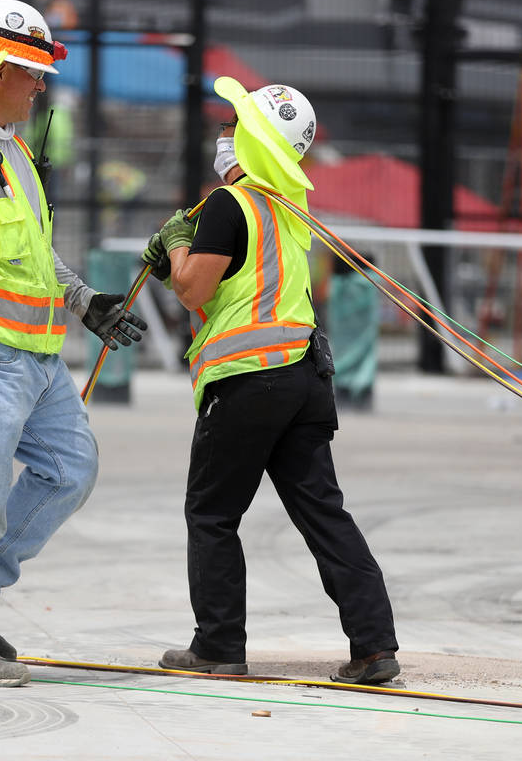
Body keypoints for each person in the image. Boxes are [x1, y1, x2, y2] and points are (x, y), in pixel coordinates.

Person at [0, 0, 147, 688]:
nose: (41, 87)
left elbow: (35, 258)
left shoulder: (7, 151)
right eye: (30, 72)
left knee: (71, 470)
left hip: (34, 361)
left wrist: (84, 302)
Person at [141, 77, 400, 686]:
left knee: (211, 515)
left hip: (248, 382)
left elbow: (193, 289)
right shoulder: (289, 205)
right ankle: (374, 648)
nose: (225, 134)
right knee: (323, 514)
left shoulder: (229, 206)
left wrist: (177, 245)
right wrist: (187, 246)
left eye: (235, 126)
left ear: (254, 139)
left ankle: (218, 647)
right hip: (305, 378)